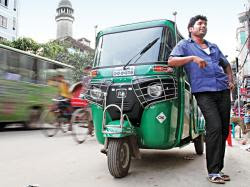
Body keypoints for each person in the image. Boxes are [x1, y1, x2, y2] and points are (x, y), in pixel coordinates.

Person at [168, 15, 234, 184]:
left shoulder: (213, 46)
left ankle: (218, 169)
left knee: (223, 131)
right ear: (191, 29)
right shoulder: (185, 45)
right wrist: (192, 58)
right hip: (204, 92)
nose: (203, 26)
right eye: (200, 24)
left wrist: (230, 80)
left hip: (223, 90)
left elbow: (226, 65)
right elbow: (172, 61)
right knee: (214, 127)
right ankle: (213, 172)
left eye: (205, 24)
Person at [81, 66, 94, 136]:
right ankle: (90, 130)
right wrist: (82, 94)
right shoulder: (85, 78)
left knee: (91, 114)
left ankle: (91, 129)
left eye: (87, 70)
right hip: (88, 96)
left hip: (94, 96)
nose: (86, 72)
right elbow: (83, 87)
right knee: (87, 112)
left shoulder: (93, 76)